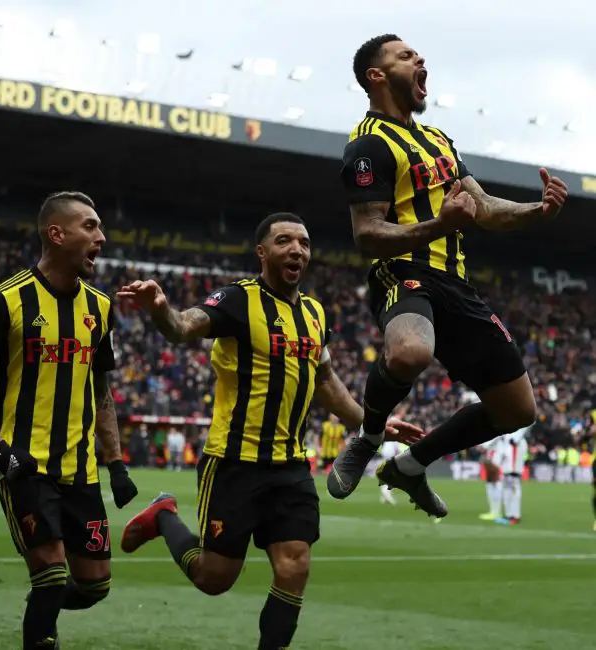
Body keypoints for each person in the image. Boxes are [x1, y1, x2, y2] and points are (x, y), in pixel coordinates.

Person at [117, 213, 423, 650]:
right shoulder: (238, 300)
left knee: (294, 567)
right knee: (214, 578)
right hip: (234, 462)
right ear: (262, 252)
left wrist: (368, 422)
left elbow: (324, 381)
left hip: (291, 467)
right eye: (284, 241)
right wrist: (159, 308)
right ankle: (164, 515)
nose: (296, 249)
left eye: (303, 242)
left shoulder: (316, 313)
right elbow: (184, 327)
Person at [328, 33, 568, 516]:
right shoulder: (370, 145)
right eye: (404, 56)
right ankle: (369, 437)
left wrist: (535, 210)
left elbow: (481, 207)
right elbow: (368, 235)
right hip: (404, 272)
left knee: (518, 410)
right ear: (377, 76)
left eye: (417, 54)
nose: (419, 59)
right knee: (412, 350)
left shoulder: (438, 141)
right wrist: (439, 224)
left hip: (456, 285)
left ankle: (412, 466)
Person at [0, 191, 138, 650]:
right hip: (26, 466)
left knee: (95, 585)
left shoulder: (100, 308)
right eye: (91, 227)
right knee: (52, 575)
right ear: (57, 234)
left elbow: (102, 393)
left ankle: (41, 607)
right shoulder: (7, 300)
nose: (102, 236)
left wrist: (116, 465)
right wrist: (1, 452)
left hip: (82, 472)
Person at [495, 426, 530, 525]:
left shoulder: (517, 436)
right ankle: (509, 514)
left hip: (513, 468)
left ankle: (515, 516)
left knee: (514, 491)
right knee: (507, 491)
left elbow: (516, 439)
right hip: (507, 467)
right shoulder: (509, 435)